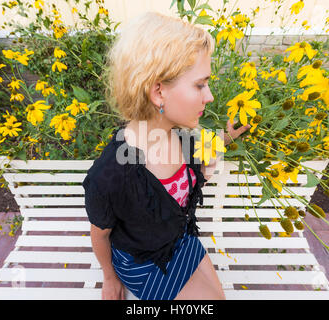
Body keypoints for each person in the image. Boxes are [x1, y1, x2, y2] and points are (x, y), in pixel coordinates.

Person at [83, 11, 249, 300]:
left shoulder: (182, 137)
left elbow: (205, 150)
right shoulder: (111, 174)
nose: (209, 96)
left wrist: (229, 136)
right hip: (143, 260)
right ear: (158, 92)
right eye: (200, 84)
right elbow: (100, 234)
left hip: (180, 240)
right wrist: (109, 278)